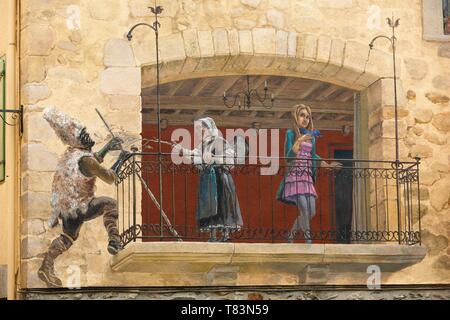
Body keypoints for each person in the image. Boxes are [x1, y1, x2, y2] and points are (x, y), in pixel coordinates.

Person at [38, 107, 130, 287]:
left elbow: (92, 162)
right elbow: (109, 177)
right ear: (80, 139)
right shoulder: (85, 160)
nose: (89, 135)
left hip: (68, 209)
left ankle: (46, 266)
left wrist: (107, 148)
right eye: (85, 133)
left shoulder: (72, 154)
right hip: (82, 205)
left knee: (68, 237)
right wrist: (122, 159)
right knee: (110, 204)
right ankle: (114, 240)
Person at [277, 104, 341, 244]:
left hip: (307, 177)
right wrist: (299, 140)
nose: (305, 119)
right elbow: (288, 157)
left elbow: (314, 156)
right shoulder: (290, 133)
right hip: (295, 175)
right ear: (296, 117)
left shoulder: (311, 137)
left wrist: (327, 165)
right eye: (302, 115)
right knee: (304, 210)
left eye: (307, 117)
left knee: (311, 211)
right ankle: (308, 240)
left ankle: (291, 235)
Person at [172, 117, 243, 242]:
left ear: (209, 129)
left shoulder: (219, 141)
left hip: (220, 178)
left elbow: (230, 160)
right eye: (197, 129)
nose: (199, 132)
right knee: (209, 206)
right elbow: (196, 156)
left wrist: (214, 159)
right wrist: (182, 150)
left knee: (223, 205)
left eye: (201, 128)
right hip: (208, 180)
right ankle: (213, 236)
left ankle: (226, 235)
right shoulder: (202, 145)